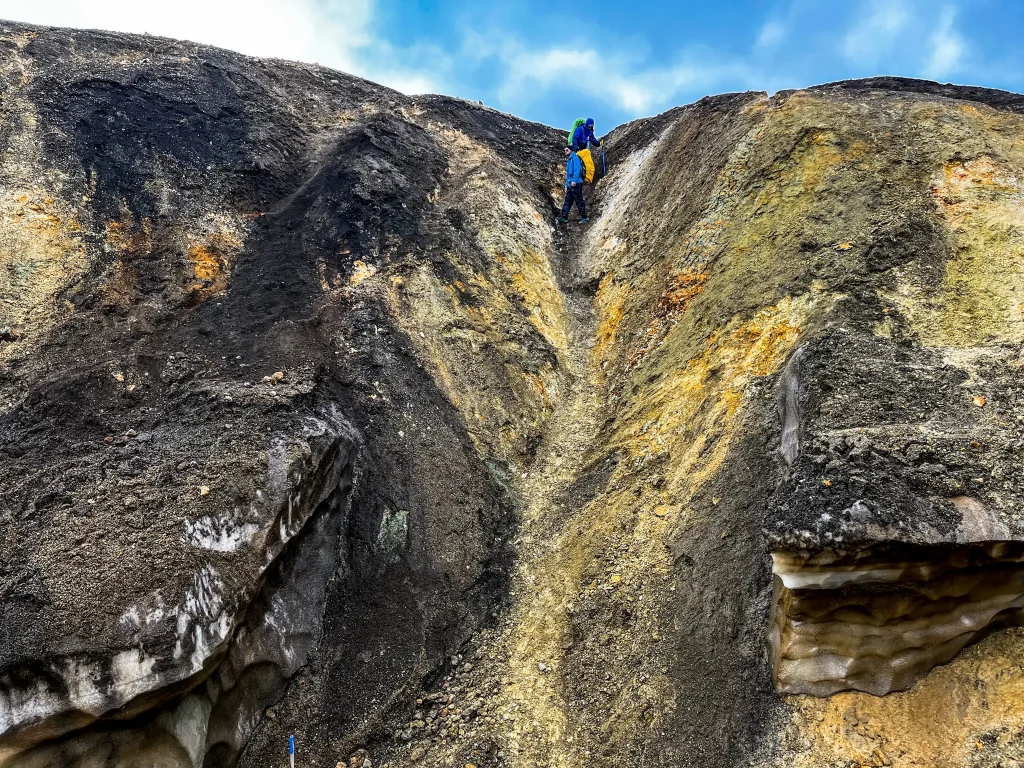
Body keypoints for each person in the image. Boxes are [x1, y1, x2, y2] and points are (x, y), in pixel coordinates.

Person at [559, 146, 588, 224]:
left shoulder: (575, 158)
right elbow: (568, 175)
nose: (565, 151)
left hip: (577, 182)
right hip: (571, 183)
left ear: (571, 150)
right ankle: (564, 217)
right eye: (564, 150)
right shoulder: (570, 159)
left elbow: (577, 169)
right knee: (568, 200)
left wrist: (574, 181)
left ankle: (584, 217)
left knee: (578, 199)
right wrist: (566, 185)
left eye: (567, 150)